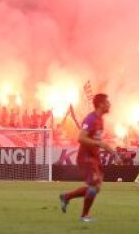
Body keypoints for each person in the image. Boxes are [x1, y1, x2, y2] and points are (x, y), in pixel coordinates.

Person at [58, 94, 117, 223]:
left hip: (94, 157)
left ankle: (66, 197)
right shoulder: (90, 119)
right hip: (86, 157)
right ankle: (84, 216)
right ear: (101, 104)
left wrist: (114, 153)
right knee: (93, 186)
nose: (109, 105)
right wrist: (99, 144)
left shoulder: (100, 120)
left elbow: (98, 141)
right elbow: (81, 138)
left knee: (95, 188)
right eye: (107, 102)